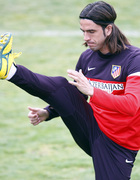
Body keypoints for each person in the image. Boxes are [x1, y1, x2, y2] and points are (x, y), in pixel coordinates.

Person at [0, 1, 140, 179]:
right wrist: (48, 112)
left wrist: (93, 92)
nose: (86, 37)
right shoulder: (87, 57)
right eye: (83, 31)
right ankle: (10, 71)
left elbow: (132, 105)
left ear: (109, 29)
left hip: (118, 144)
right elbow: (75, 96)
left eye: (91, 31)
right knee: (62, 85)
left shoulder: (135, 59)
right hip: (91, 127)